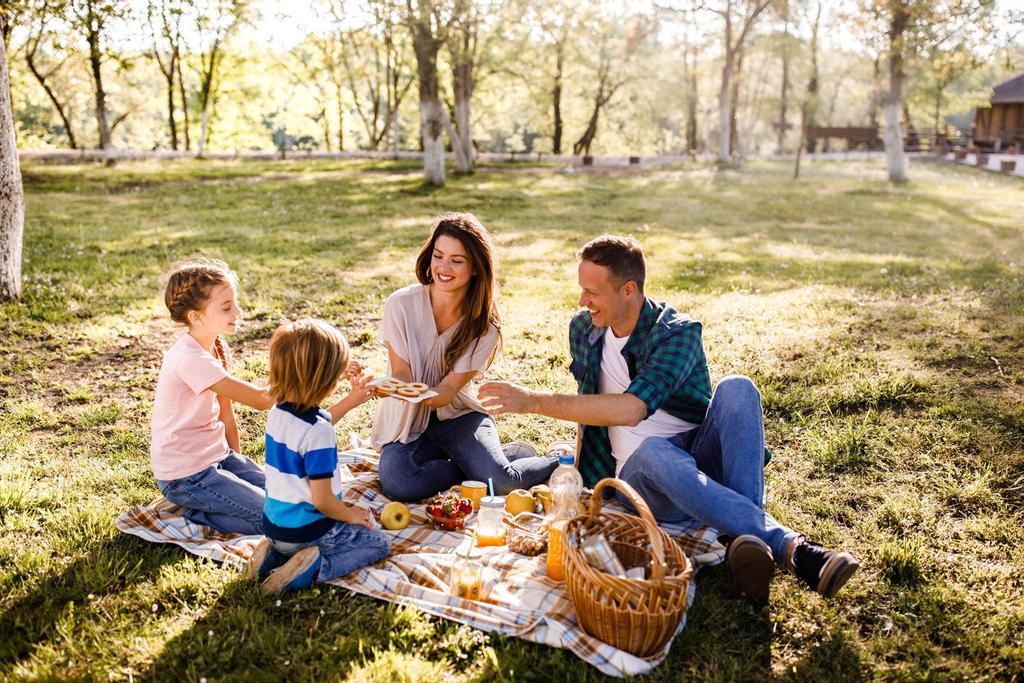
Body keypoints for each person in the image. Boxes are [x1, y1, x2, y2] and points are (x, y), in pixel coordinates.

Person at [478, 235, 859, 600]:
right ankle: (789, 546)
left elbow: (631, 409)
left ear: (629, 289)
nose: (583, 301)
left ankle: (745, 540)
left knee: (739, 388)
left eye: (592, 292)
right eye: (582, 290)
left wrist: (531, 400)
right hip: (641, 480)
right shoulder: (584, 328)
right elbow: (589, 403)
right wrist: (579, 478)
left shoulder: (676, 333)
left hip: (700, 462)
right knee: (655, 450)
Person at [372, 212, 559, 501]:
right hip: (408, 423)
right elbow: (401, 372)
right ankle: (474, 467)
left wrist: (420, 394)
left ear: (475, 268)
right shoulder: (401, 304)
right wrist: (394, 388)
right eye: (438, 256)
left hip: (459, 417)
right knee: (399, 484)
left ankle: (558, 457)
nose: (443, 268)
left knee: (503, 484)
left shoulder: (485, 328)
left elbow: (447, 392)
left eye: (457, 260)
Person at [245, 319, 390, 594]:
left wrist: (350, 399)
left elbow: (316, 424)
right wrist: (349, 515)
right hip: (310, 531)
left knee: (289, 541)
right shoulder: (319, 433)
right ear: (325, 378)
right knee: (378, 543)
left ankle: (272, 555)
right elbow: (323, 501)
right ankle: (312, 567)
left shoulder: (279, 412)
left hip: (276, 528)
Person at [150, 259, 276, 536]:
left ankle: (216, 501)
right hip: (185, 476)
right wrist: (313, 371)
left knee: (288, 499)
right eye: (227, 306)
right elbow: (261, 399)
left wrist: (237, 467)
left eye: (235, 303)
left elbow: (225, 415)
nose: (238, 311)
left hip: (217, 459)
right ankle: (193, 513)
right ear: (196, 316)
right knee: (276, 521)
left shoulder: (217, 349)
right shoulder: (190, 358)